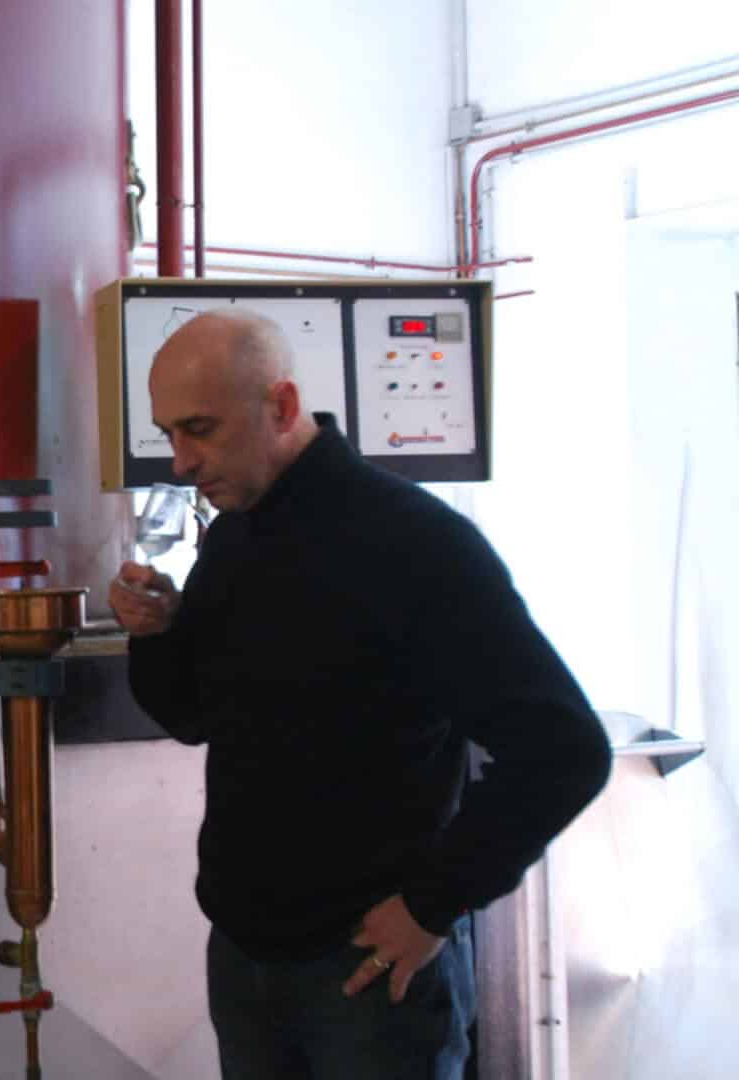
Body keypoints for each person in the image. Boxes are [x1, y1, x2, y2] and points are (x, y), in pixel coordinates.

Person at [109, 309, 611, 1079]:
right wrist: (156, 633)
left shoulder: (414, 542)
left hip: (371, 970)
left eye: (199, 429)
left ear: (279, 407)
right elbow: (194, 716)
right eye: (169, 432)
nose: (180, 462)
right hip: (246, 957)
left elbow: (564, 749)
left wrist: (432, 906)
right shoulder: (237, 537)